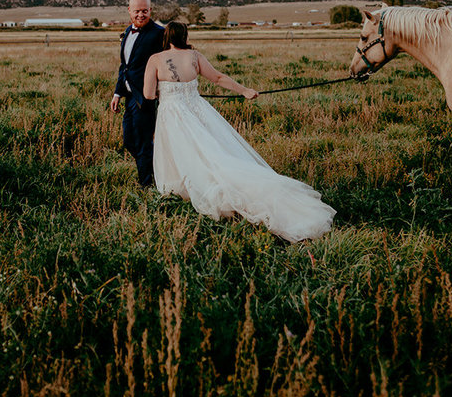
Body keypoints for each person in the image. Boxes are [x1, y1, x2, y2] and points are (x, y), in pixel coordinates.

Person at [142, 22, 335, 242]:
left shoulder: (155, 59)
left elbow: (148, 94)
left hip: (174, 116)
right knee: (215, 154)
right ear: (185, 36)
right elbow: (218, 78)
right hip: (199, 111)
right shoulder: (194, 56)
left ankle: (184, 194)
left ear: (166, 37)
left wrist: (165, 90)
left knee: (184, 155)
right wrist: (244, 90)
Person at [111, 0, 166, 186]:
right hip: (128, 96)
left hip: (146, 97)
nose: (141, 15)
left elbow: (167, 63)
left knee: (142, 142)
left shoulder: (159, 33)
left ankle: (147, 185)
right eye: (137, 11)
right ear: (129, 11)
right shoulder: (127, 32)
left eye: (145, 11)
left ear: (150, 10)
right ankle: (154, 167)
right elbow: (124, 66)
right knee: (129, 141)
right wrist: (117, 93)